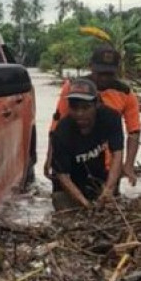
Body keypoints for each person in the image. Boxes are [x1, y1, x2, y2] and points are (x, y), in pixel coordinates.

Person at [44, 45, 141, 186]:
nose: (104, 78)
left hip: (107, 165)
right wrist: (50, 157)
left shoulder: (125, 93)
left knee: (107, 203)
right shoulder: (73, 88)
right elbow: (57, 125)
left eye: (109, 74)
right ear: (91, 67)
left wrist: (128, 165)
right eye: (100, 73)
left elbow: (134, 131)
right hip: (72, 158)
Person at [49, 78, 125, 209]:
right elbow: (63, 176)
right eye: (74, 108)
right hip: (68, 185)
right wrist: (84, 203)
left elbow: (117, 154)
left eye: (85, 108)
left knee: (112, 206)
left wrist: (109, 188)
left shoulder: (111, 118)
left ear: (96, 104)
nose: (80, 114)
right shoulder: (62, 131)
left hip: (97, 177)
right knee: (64, 207)